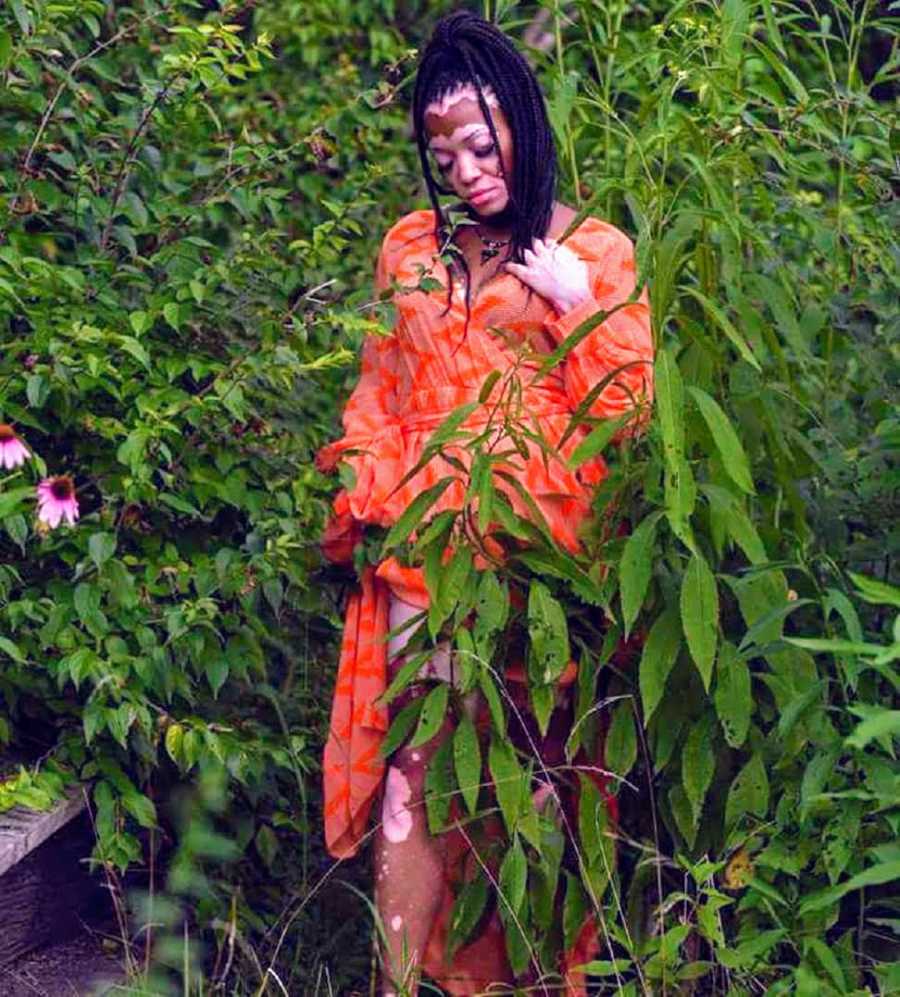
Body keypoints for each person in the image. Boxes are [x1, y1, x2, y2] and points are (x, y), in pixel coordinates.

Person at [316, 10, 653, 994]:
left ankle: (540, 983)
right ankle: (395, 985)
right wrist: (364, 476)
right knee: (416, 780)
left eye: (481, 141)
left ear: (525, 121)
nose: (465, 170)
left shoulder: (594, 249)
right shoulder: (410, 253)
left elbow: (629, 417)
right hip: (426, 553)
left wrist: (578, 303)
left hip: (546, 570)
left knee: (540, 787)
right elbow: (379, 388)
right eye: (444, 153)